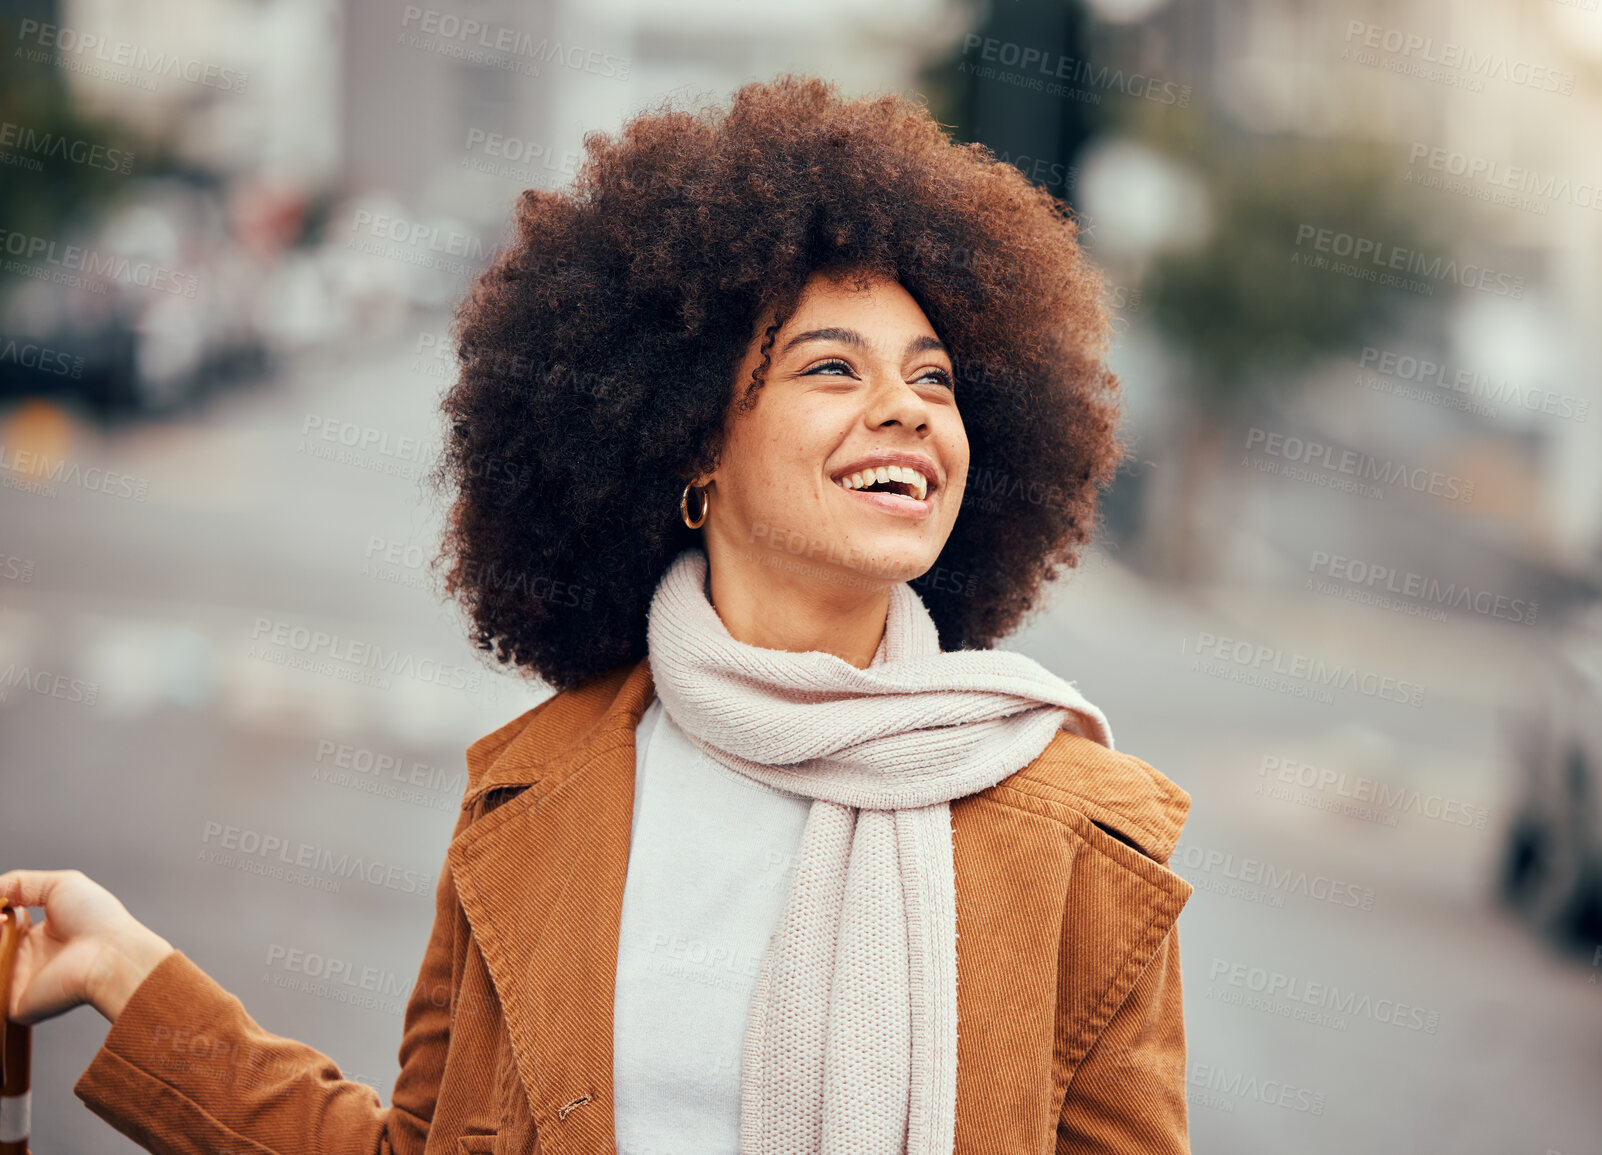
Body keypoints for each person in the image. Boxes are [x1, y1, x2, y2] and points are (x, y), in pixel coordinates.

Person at [0, 75, 1194, 1154]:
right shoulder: (527, 799)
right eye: (834, 368)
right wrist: (137, 981)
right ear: (690, 444)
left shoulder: (1079, 836)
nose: (906, 408)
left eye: (934, 376)